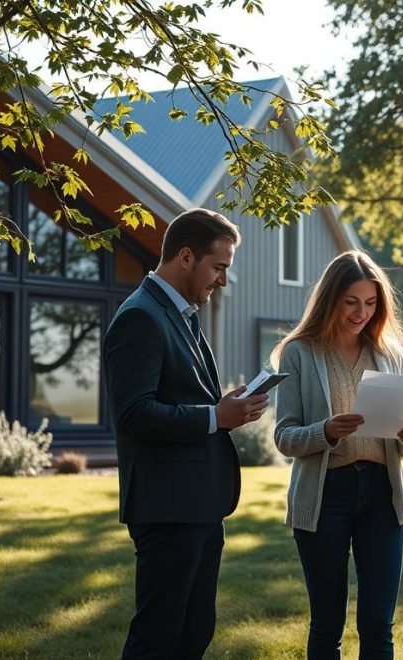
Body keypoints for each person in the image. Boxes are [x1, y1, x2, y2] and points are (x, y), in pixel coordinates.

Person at [102, 208, 268, 659]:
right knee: (157, 638)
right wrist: (216, 417)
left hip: (198, 504)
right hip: (167, 506)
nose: (223, 281)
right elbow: (133, 413)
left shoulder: (182, 314)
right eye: (220, 268)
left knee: (193, 634)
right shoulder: (140, 317)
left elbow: (182, 397)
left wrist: (224, 407)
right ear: (187, 257)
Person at [271, 250, 403, 659]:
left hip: (381, 494)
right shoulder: (300, 352)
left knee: (379, 621)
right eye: (352, 302)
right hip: (325, 496)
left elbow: (398, 440)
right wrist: (325, 431)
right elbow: (285, 437)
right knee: (327, 622)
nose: (362, 312)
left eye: (371, 303)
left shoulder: (390, 353)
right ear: (331, 299)